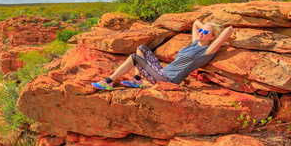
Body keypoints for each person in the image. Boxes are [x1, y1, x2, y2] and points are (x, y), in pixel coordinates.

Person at [91, 20, 234, 90]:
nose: (201, 33)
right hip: (161, 73)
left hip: (168, 80)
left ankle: (108, 82)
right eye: (201, 31)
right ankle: (136, 79)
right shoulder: (194, 43)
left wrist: (214, 31)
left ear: (213, 37)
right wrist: (205, 27)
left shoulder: (206, 52)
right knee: (141, 48)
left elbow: (229, 30)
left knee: (134, 58)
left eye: (206, 32)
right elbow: (196, 23)